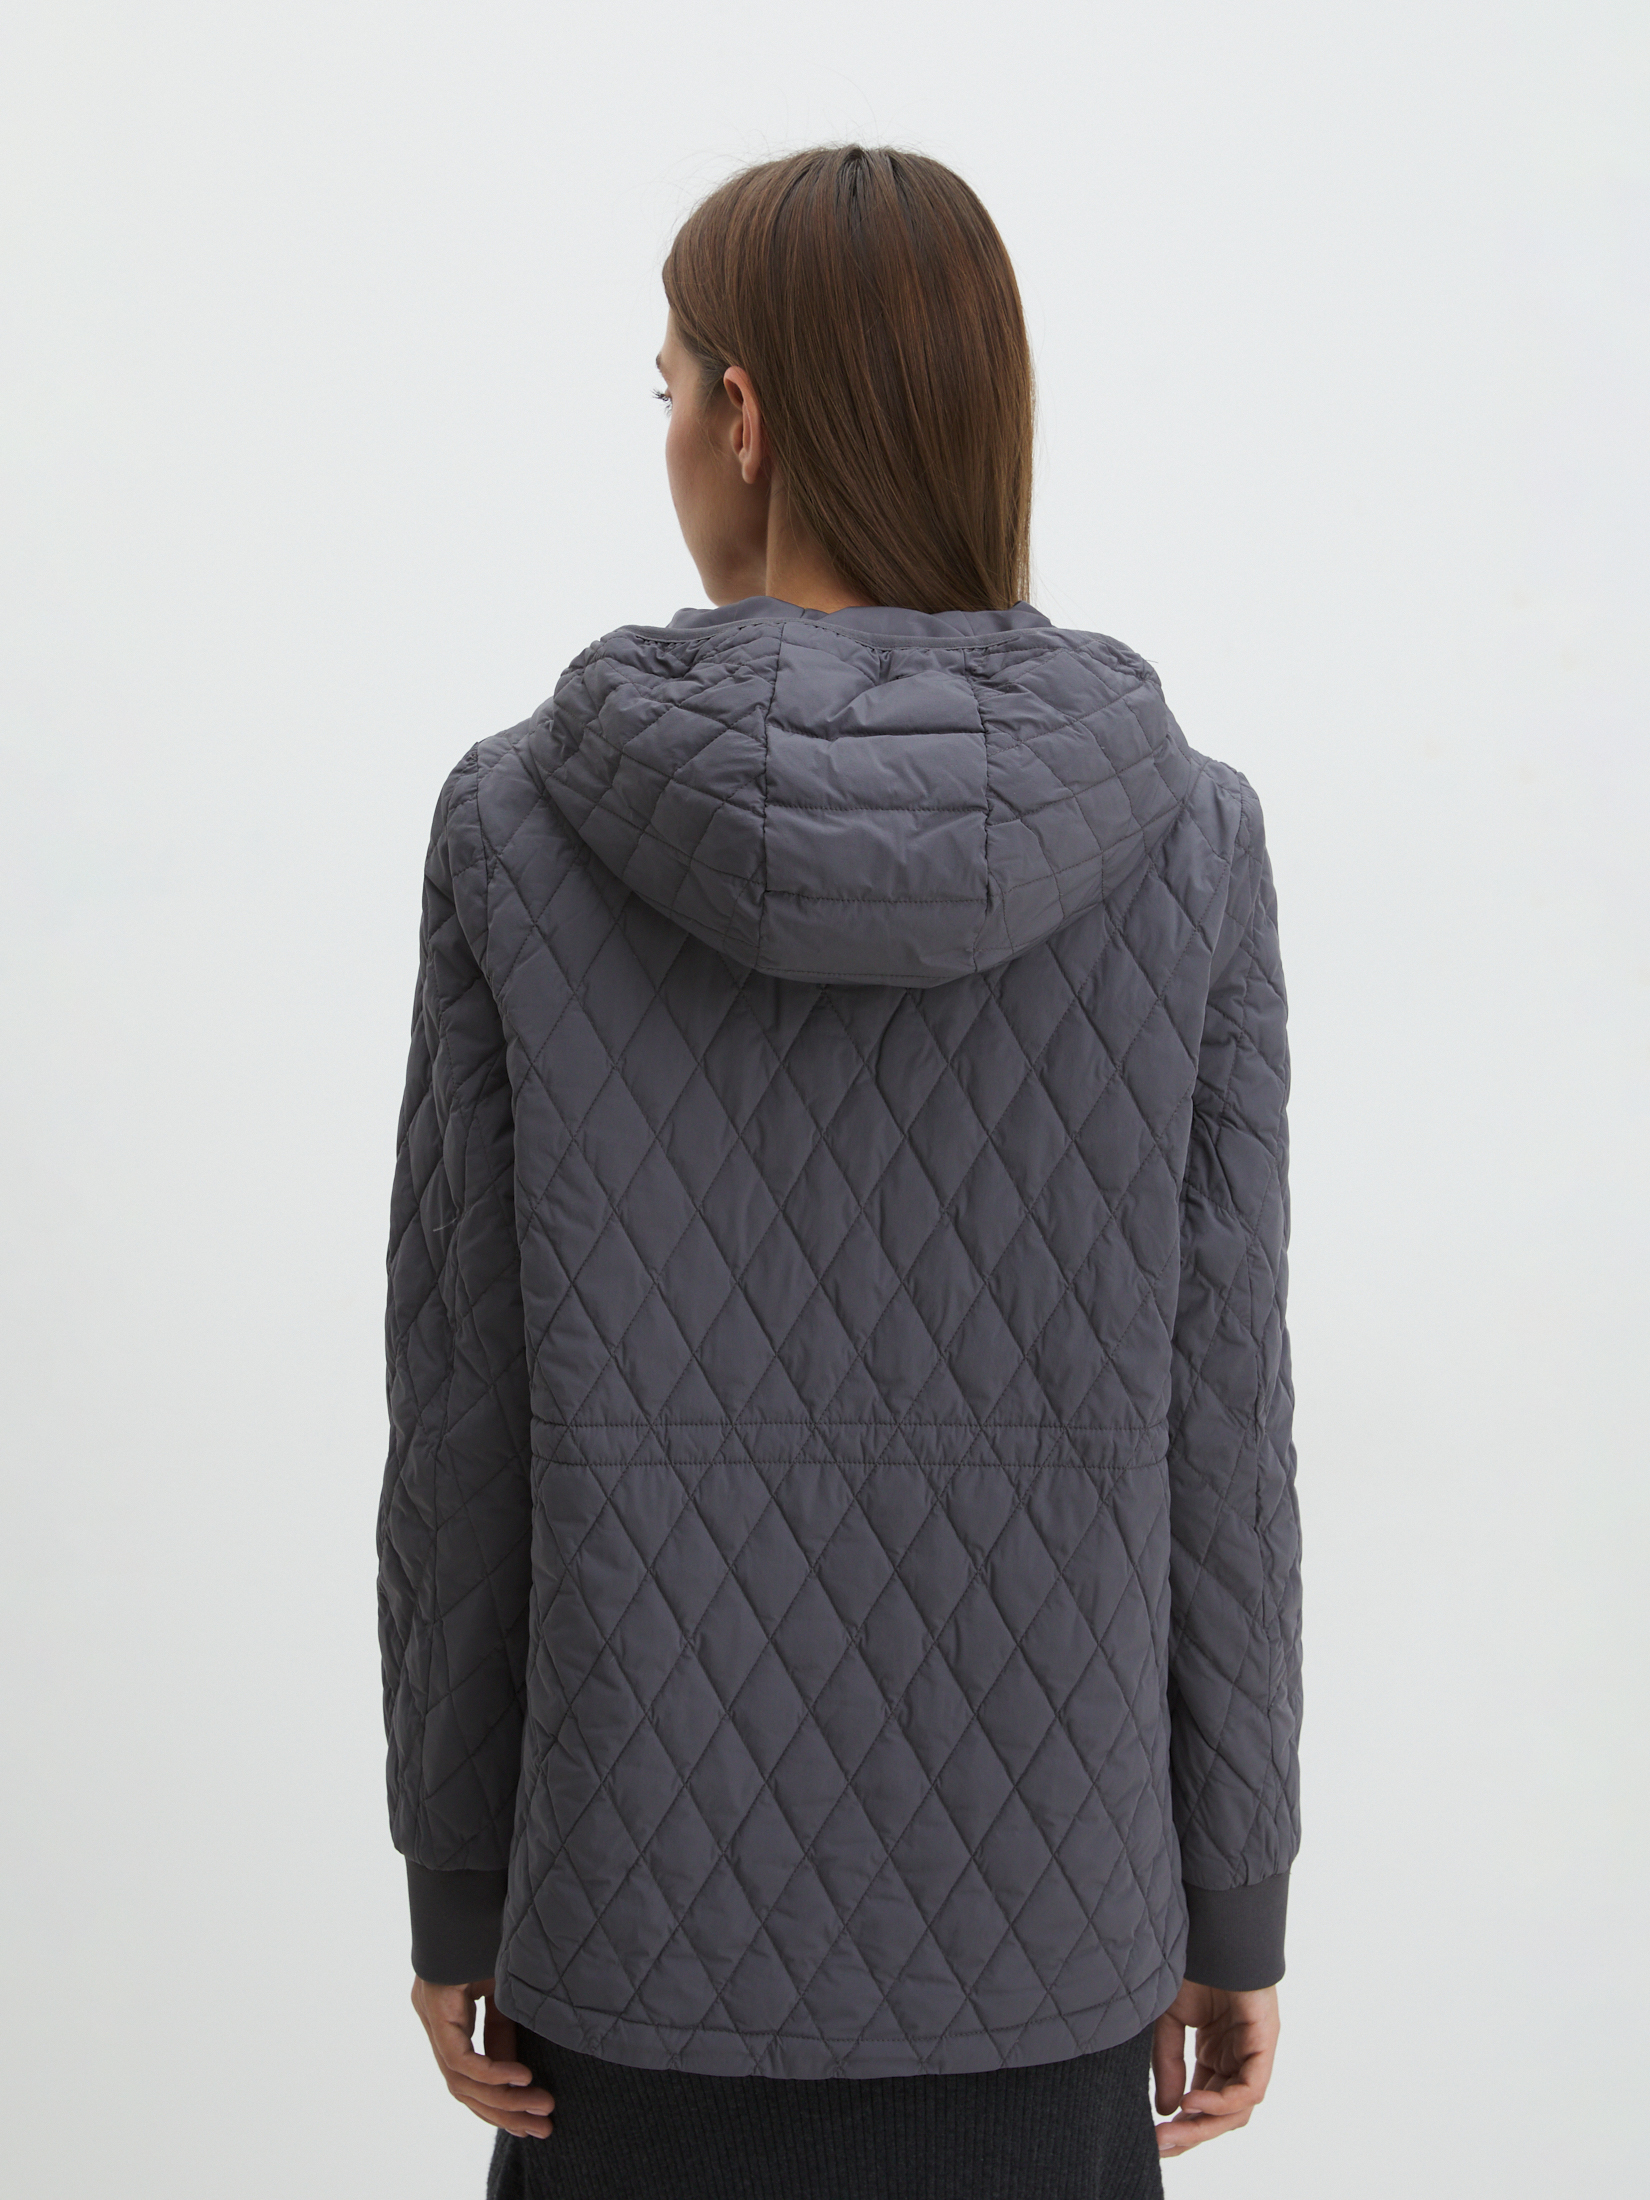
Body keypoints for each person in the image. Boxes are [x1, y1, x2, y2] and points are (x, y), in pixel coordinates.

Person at [376, 144, 1302, 2199]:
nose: (666, 439)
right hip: (1050, 1969)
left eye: (663, 387)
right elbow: (1221, 1424)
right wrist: (1234, 1891)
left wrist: (457, 1880)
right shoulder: (1186, 837)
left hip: (629, 1967)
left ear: (745, 419)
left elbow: (461, 1412)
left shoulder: (517, 828)